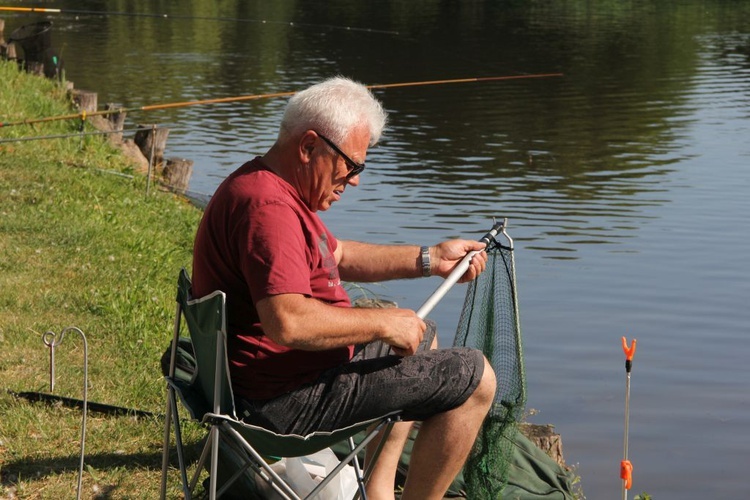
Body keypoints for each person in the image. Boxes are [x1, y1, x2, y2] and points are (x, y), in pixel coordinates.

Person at [192, 76, 496, 500]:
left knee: (419, 338)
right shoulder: (269, 210)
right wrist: (381, 324)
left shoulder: (271, 186)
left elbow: (337, 254)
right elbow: (288, 322)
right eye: (351, 165)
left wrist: (430, 259)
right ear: (308, 146)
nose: (354, 180)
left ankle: (378, 492)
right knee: (477, 378)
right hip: (282, 404)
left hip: (277, 380)